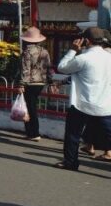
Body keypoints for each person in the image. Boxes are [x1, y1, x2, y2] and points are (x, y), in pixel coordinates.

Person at [54, 26, 111, 171]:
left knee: (73, 135)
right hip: (105, 106)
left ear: (86, 40)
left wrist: (73, 49)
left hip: (82, 104)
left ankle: (71, 162)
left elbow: (61, 67)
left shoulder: (83, 58)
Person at [16, 26, 53, 142]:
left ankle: (33, 132)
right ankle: (31, 132)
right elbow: (49, 68)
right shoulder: (45, 51)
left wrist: (21, 84)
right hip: (40, 82)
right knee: (31, 106)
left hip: (30, 83)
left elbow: (25, 69)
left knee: (30, 108)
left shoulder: (27, 52)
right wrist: (50, 81)